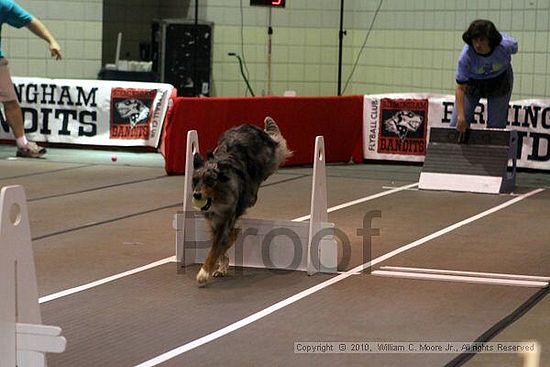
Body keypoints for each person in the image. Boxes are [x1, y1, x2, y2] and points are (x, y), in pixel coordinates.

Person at [1, 0, 62, 157]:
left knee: (10, 101)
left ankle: (23, 145)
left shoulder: (3, 5)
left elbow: (30, 21)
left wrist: (51, 41)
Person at [450, 19, 518, 138]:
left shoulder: (506, 46)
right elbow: (460, 88)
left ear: (490, 40)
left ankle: (493, 155)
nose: (477, 45)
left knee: (496, 127)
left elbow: (515, 47)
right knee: (456, 124)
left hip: (500, 80)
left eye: (482, 40)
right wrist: (461, 116)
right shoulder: (466, 56)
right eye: (475, 40)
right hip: (473, 83)